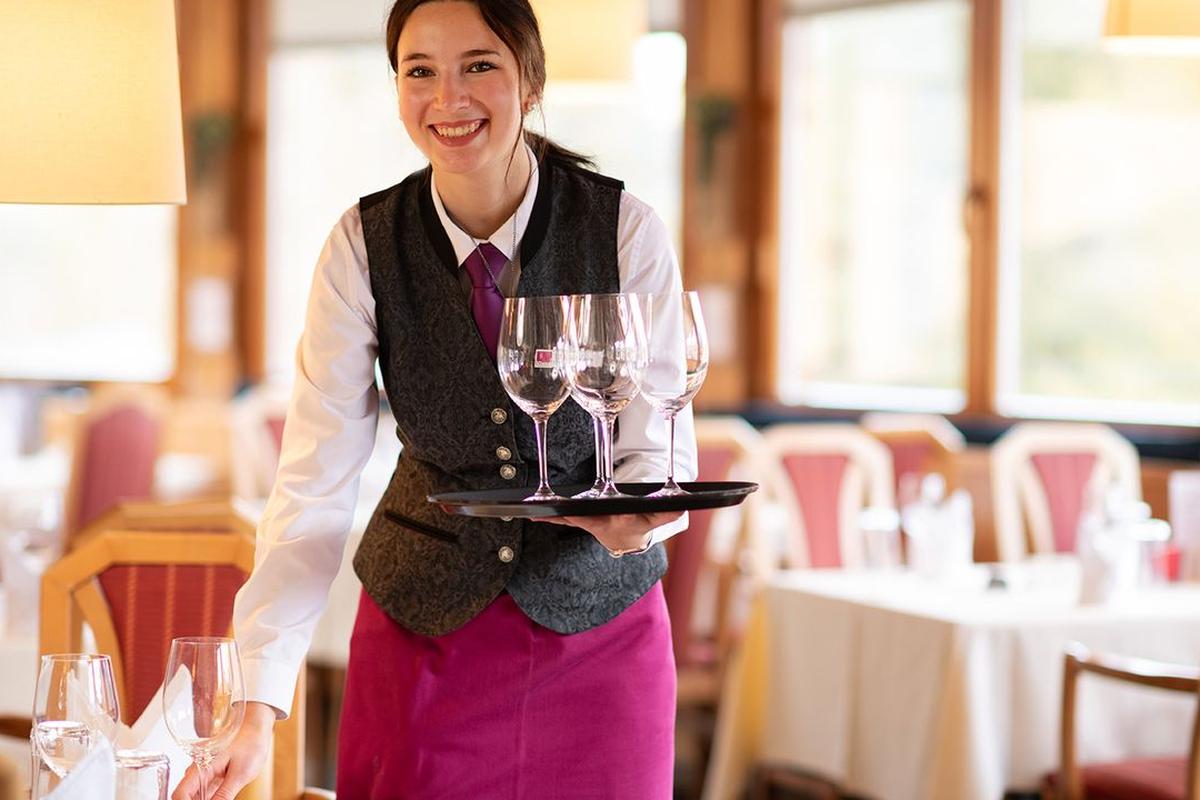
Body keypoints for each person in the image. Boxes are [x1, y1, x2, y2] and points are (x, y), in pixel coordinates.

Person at [173, 0, 696, 797]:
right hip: (422, 642)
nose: (448, 98)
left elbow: (658, 447)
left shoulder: (625, 229)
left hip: (599, 643)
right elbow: (312, 485)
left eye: (479, 65)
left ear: (530, 80)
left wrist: (635, 516)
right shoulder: (361, 246)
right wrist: (256, 701)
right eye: (420, 71)